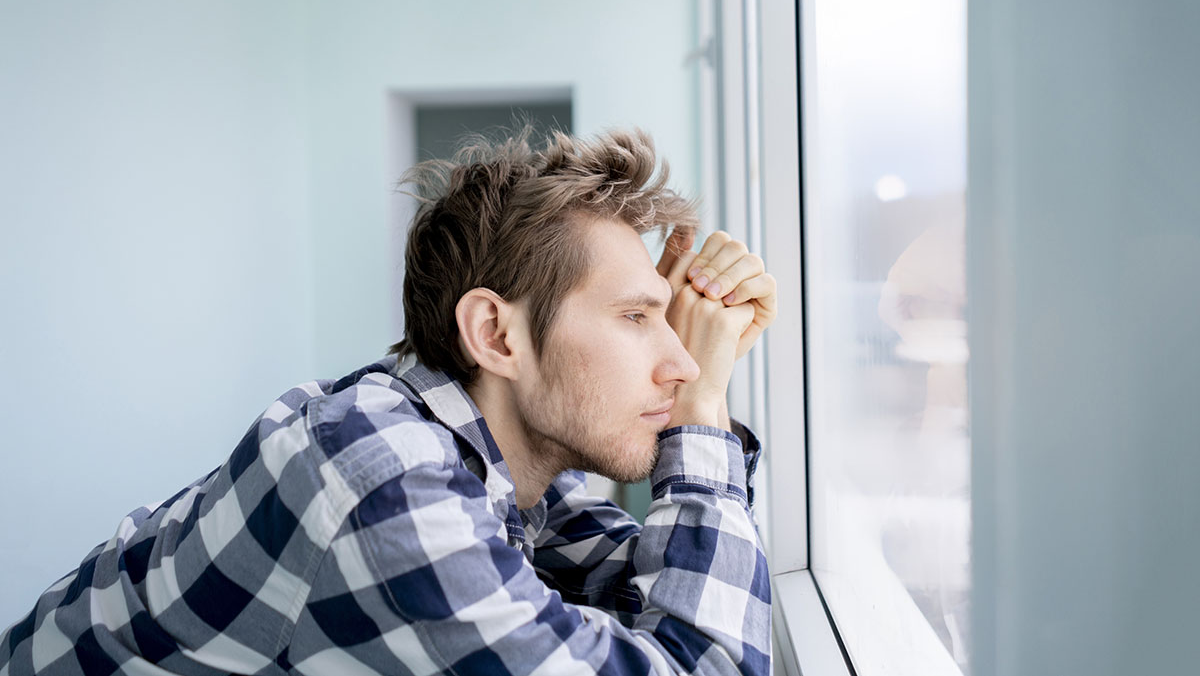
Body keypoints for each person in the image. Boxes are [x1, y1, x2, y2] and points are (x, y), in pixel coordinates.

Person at [0, 128, 778, 675]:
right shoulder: (383, 474)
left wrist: (688, 402)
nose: (680, 359)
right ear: (497, 337)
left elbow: (651, 585)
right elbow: (705, 659)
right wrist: (701, 411)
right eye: (638, 318)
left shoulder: (495, 460)